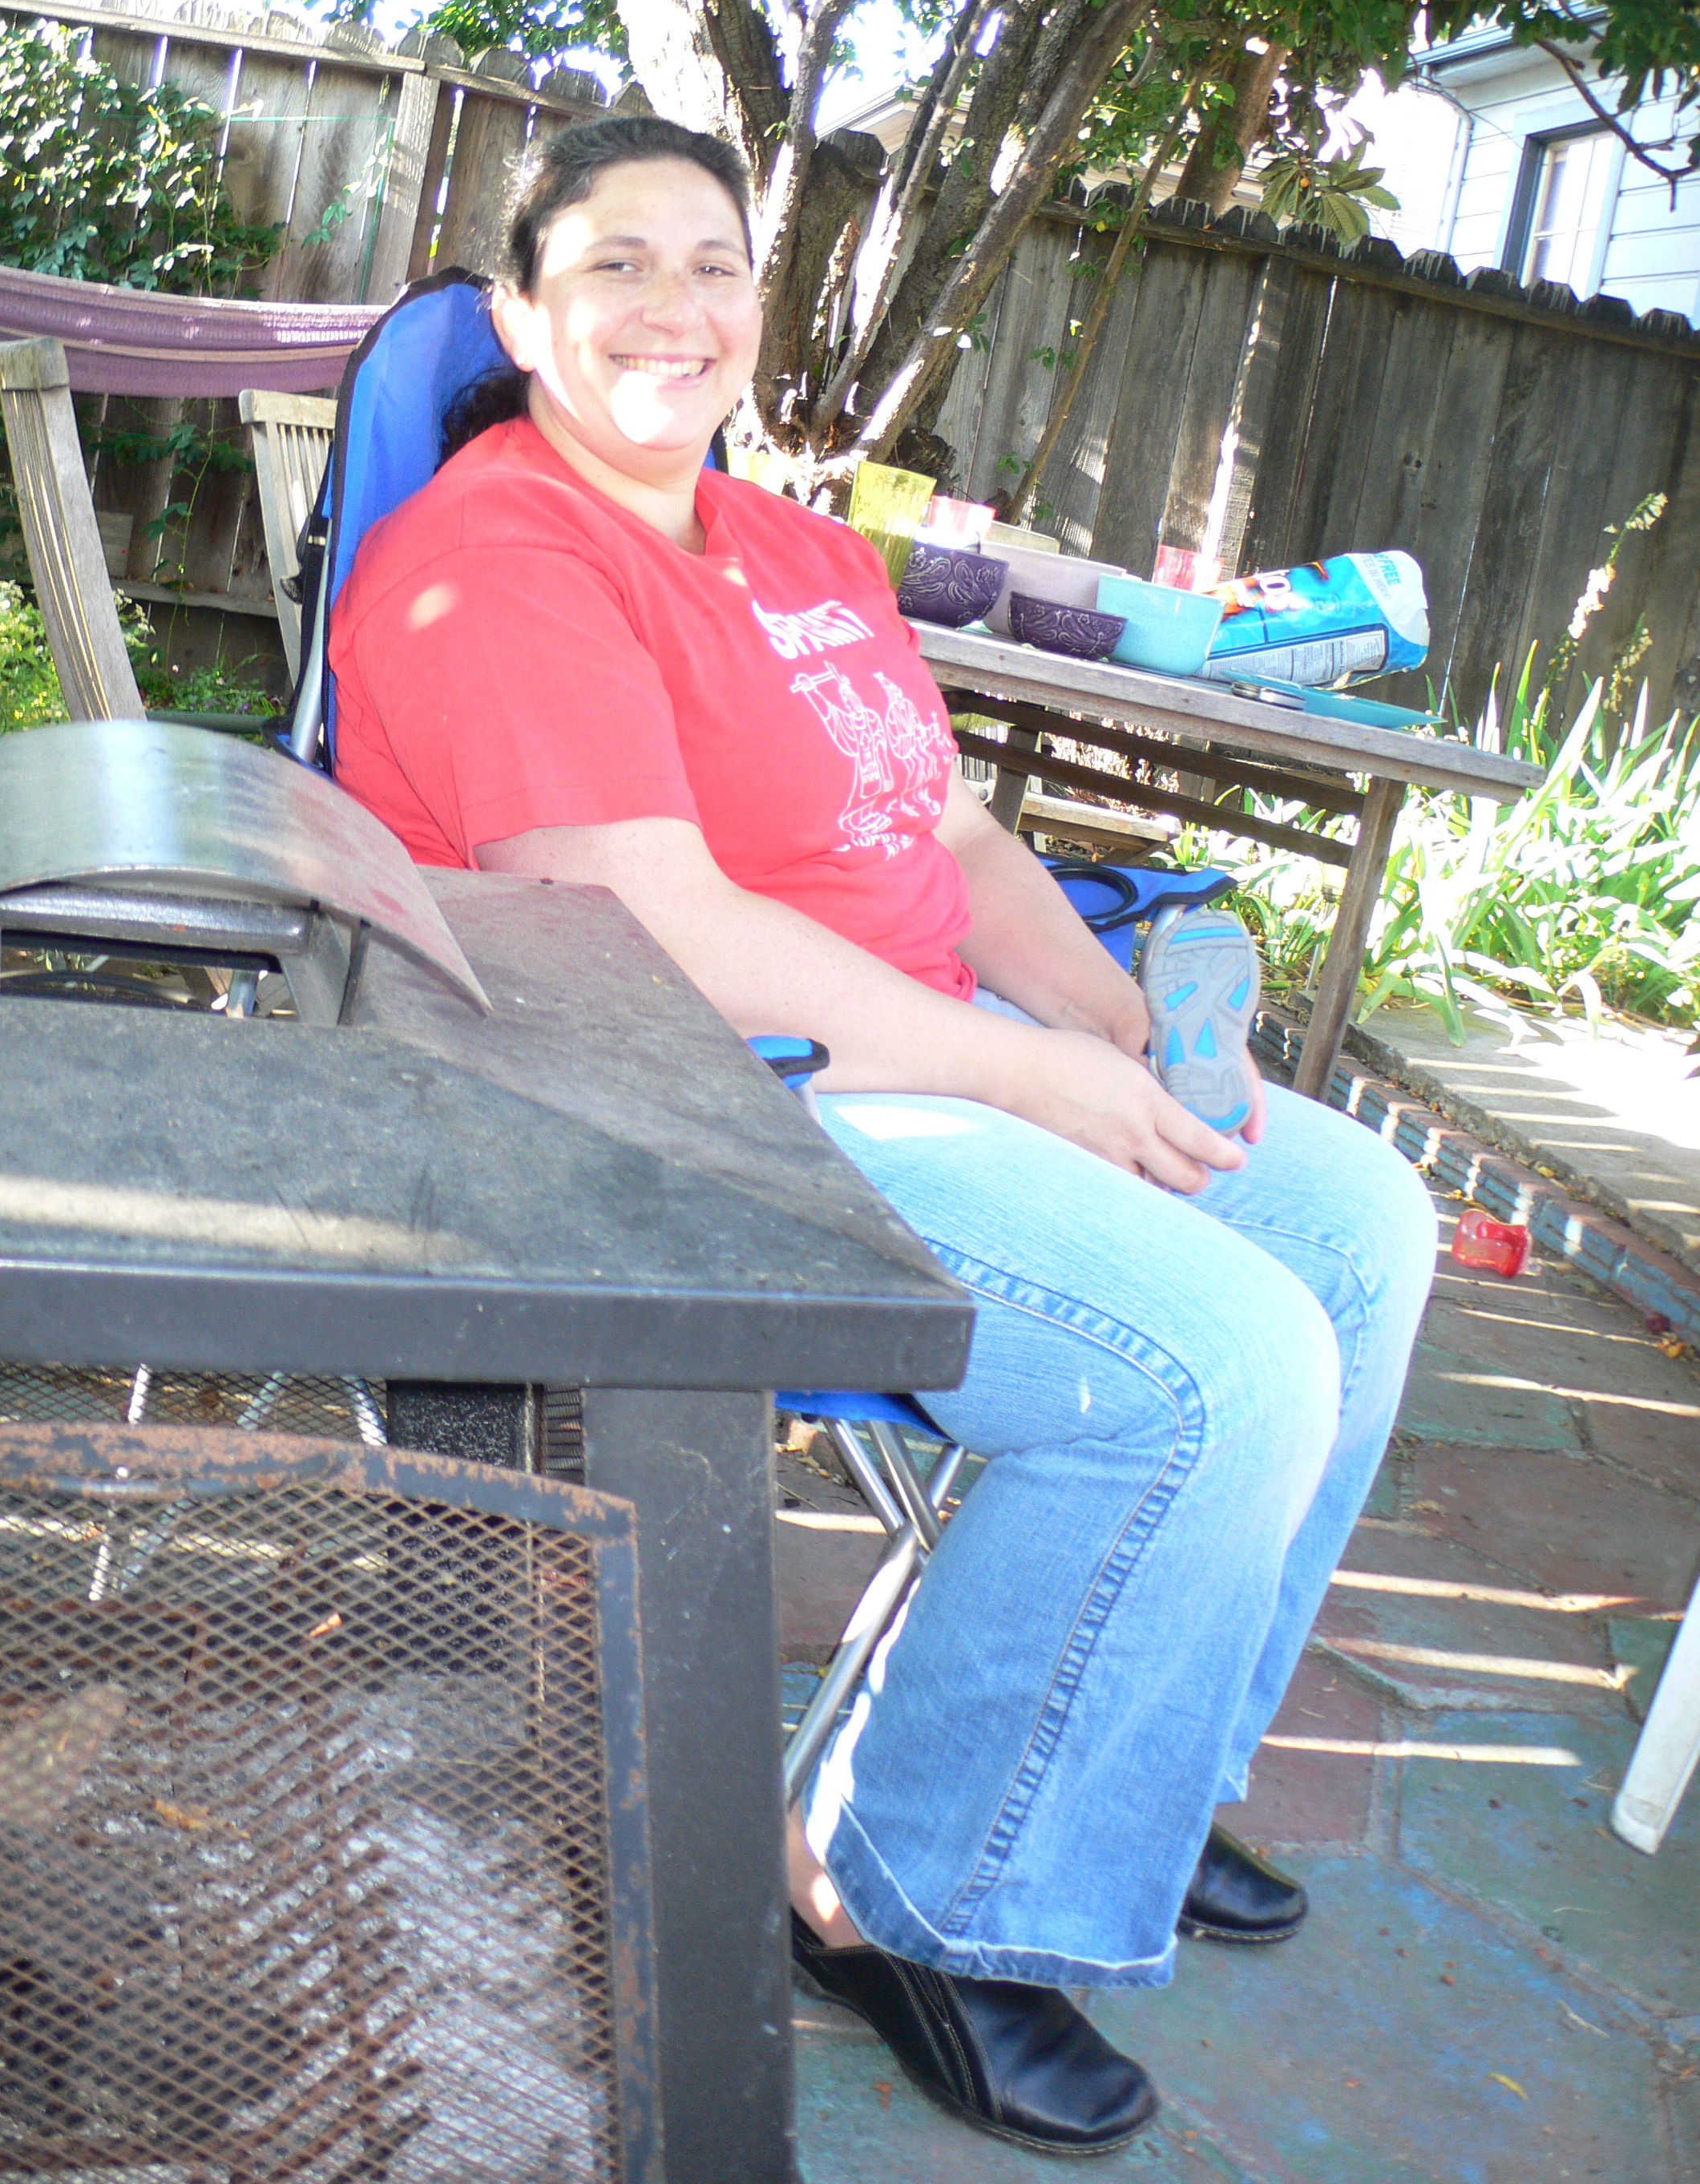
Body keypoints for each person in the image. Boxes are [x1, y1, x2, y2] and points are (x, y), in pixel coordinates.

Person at [329, 112, 1437, 2160]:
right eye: (615, 263)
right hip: (697, 1100)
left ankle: (1124, 1765)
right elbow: (659, 931)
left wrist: (1106, 1018)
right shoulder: (498, 559)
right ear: (521, 314)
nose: (675, 307)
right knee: (1220, 1358)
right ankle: (906, 1893)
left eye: (715, 263)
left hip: (927, 1047)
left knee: (1361, 1220)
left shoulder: (802, 555)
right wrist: (1021, 1076)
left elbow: (959, 841)